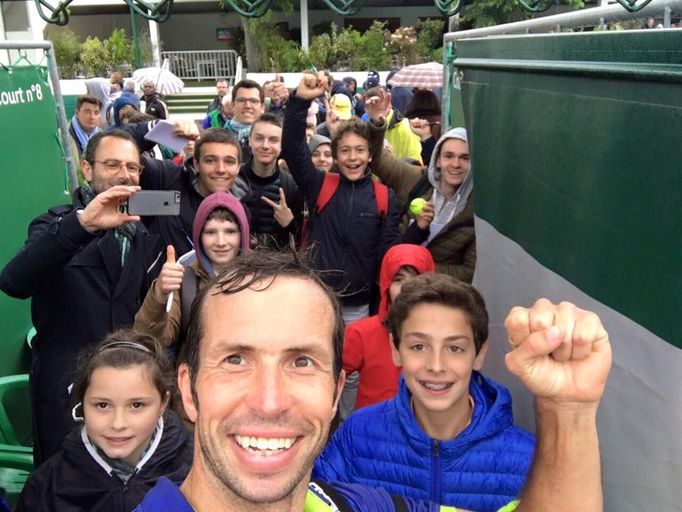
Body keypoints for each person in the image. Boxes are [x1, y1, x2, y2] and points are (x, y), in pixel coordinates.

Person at [134, 250, 612, 512]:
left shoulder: (357, 504)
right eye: (236, 359)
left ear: (337, 387)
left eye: (302, 362)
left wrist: (568, 410)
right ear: (189, 390)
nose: (270, 399)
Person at [0, 130, 163, 465]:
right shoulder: (56, 223)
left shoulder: (142, 234)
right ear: (87, 170)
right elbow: (14, 281)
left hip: (120, 397)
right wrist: (83, 224)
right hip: (65, 399)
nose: (124, 174)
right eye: (112, 164)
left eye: (132, 167)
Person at [314, 273, 535, 511]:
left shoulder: (528, 458)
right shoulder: (356, 437)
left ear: (479, 354)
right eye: (419, 346)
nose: (436, 366)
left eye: (455, 348)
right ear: (395, 350)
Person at [281, 72, 429, 323]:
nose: (352, 158)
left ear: (371, 155)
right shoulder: (320, 185)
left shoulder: (385, 197)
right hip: (317, 300)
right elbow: (293, 150)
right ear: (336, 156)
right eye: (345, 150)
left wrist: (419, 230)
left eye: (360, 150)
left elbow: (390, 253)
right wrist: (299, 102)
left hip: (359, 308)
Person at [15, 330, 192, 512]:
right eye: (102, 405)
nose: (118, 424)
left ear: (163, 403)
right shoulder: (47, 487)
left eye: (137, 405)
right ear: (82, 403)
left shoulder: (195, 471)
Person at [368, 96, 475, 282]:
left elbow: (469, 271)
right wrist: (378, 123)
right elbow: (377, 161)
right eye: (449, 156)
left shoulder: (476, 209)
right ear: (437, 159)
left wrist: (420, 269)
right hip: (398, 288)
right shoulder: (415, 179)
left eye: (464, 158)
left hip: (440, 297)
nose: (456, 164)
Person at [134, 192, 250, 356]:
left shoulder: (260, 278)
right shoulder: (184, 279)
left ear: (243, 234)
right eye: (210, 232)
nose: (221, 241)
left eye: (230, 231)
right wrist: (159, 293)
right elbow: (150, 340)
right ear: (198, 236)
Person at [341, 244, 435, 411]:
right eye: (398, 279)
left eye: (416, 279)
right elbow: (328, 376)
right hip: (371, 430)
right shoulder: (362, 333)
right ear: (386, 286)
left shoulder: (443, 336)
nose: (407, 287)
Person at [232, 113, 303, 249]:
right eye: (259, 138)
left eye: (273, 140)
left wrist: (289, 224)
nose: (265, 145)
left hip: (276, 266)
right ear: (250, 141)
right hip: (236, 264)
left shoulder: (292, 186)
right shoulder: (232, 178)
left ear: (282, 144)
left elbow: (299, 242)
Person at [364, 86, 423, 163]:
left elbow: (416, 164)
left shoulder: (407, 128)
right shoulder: (366, 130)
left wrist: (392, 161)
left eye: (376, 104)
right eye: (368, 106)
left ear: (389, 104)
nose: (371, 110)